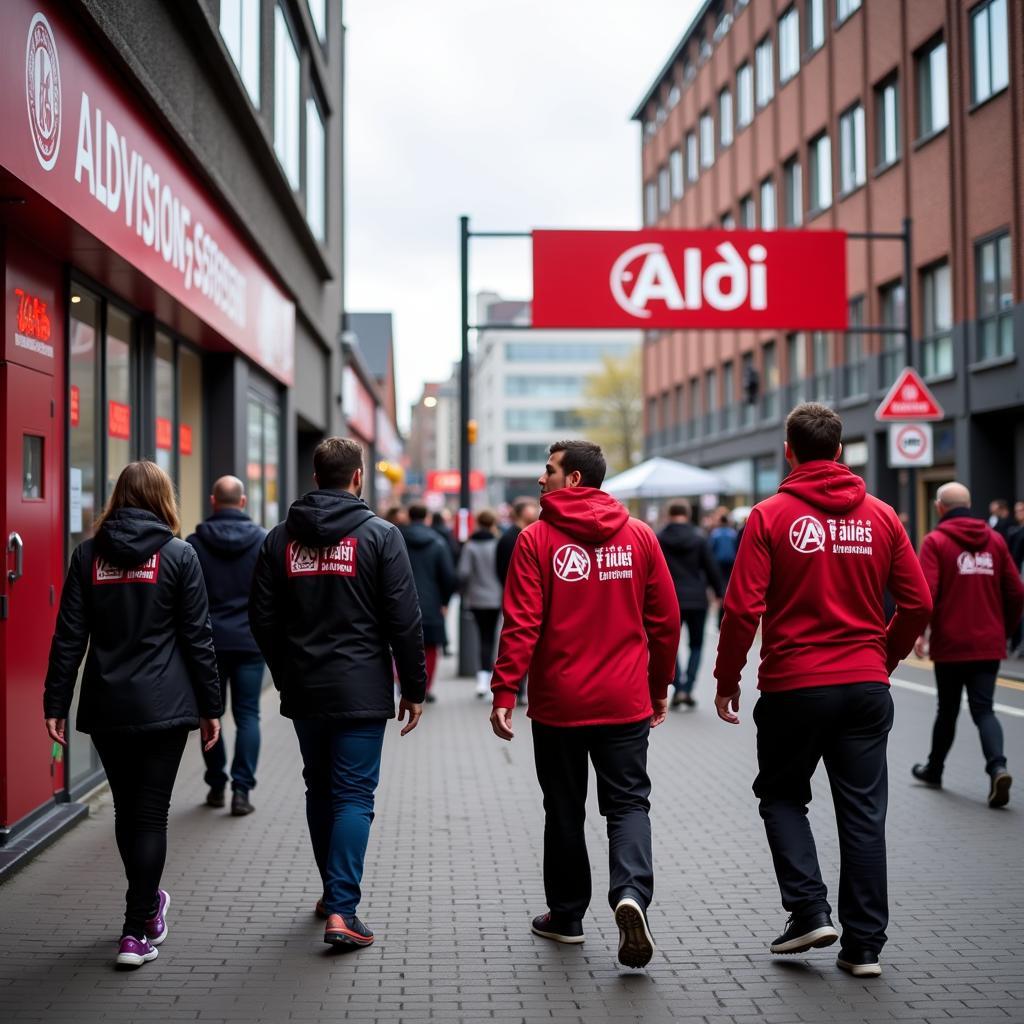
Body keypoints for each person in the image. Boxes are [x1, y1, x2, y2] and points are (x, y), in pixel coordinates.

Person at [713, 403, 932, 979]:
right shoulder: (883, 516)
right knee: (863, 813)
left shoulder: (768, 515)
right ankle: (864, 947)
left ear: (789, 449)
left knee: (783, 796)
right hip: (864, 684)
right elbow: (918, 602)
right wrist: (881, 657)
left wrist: (727, 678)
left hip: (794, 686)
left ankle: (808, 909)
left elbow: (742, 609)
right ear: (840, 450)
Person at [489, 440, 679, 969]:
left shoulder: (535, 540)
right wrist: (659, 685)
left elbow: (522, 623)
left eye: (547, 470)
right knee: (627, 804)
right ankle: (631, 894)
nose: (539, 479)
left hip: (559, 705)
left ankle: (567, 917)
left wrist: (505, 690)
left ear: (573, 479)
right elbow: (665, 620)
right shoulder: (639, 536)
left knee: (564, 810)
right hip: (624, 700)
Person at [249, 437, 425, 950]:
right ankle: (344, 910)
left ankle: (332, 894)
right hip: (362, 687)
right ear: (358, 476)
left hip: (305, 687)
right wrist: (413, 688)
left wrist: (285, 670)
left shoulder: (281, 538)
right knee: (352, 794)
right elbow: (404, 619)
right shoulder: (380, 535)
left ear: (315, 476)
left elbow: (261, 615)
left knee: (319, 788)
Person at [43, 461, 221, 969]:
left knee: (128, 813)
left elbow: (69, 637)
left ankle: (143, 912)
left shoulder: (87, 556)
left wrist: (55, 702)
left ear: (118, 499)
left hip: (109, 705)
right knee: (150, 815)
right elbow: (197, 639)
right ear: (164, 499)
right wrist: (212, 707)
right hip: (165, 707)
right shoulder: (179, 555)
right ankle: (137, 926)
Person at [911, 483, 1024, 807]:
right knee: (984, 709)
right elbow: (1016, 591)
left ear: (939, 507)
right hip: (988, 642)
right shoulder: (996, 540)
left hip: (951, 643)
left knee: (947, 710)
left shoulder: (936, 541)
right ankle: (997, 767)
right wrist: (1006, 628)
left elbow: (925, 594)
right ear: (970, 504)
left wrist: (920, 633)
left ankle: (934, 769)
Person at [187, 475, 267, 816]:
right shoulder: (263, 541)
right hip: (250, 642)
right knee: (248, 715)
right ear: (244, 503)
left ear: (213, 501)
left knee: (210, 714)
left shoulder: (194, 543)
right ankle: (241, 791)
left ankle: (216, 785)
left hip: (208, 645)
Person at [657, 500, 724, 708]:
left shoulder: (659, 538)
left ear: (668, 514)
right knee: (696, 645)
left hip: (668, 600)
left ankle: (677, 687)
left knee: (670, 646)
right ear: (688, 514)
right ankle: (688, 688)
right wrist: (720, 592)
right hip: (696, 599)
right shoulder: (699, 538)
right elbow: (711, 567)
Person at [401, 504, 457, 702]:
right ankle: (425, 688)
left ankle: (403, 685)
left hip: (401, 602)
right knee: (431, 647)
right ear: (426, 518)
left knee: (401, 645)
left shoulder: (396, 538)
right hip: (432, 603)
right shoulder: (438, 543)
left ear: (409, 516)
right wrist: (444, 601)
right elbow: (449, 577)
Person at [458, 509, 503, 697]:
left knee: (482, 637)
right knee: (493, 637)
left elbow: (463, 572)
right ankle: (492, 677)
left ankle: (482, 680)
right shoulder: (498, 543)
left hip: (476, 598)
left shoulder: (470, 545)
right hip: (496, 597)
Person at [496, 498, 540, 586]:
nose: (537, 511)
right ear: (523, 512)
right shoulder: (510, 537)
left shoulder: (527, 534)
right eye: (533, 507)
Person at [708, 511, 739, 626]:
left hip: (718, 563)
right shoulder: (732, 533)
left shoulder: (715, 533)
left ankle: (720, 611)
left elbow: (711, 548)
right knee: (728, 587)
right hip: (731, 563)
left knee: (721, 588)